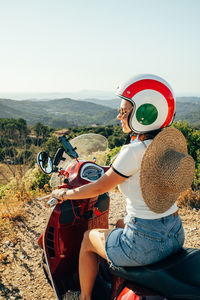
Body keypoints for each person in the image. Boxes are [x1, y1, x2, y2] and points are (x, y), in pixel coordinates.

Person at [50, 74, 195, 300]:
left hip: (147, 243)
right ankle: (115, 283)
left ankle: (84, 297)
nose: (118, 116)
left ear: (144, 114)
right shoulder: (165, 145)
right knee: (120, 223)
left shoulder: (133, 152)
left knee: (88, 238)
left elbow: (99, 188)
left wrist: (65, 194)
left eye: (124, 111)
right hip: (174, 233)